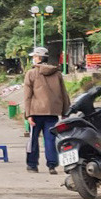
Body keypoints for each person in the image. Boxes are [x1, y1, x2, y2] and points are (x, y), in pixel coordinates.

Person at [23, 46, 70, 174]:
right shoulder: (57, 73)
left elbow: (27, 96)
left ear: (39, 58)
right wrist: (65, 112)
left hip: (35, 112)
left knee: (33, 139)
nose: (33, 58)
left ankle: (32, 165)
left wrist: (28, 114)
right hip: (53, 113)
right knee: (50, 140)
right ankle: (52, 166)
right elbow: (64, 93)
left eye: (34, 56)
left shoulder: (31, 73)